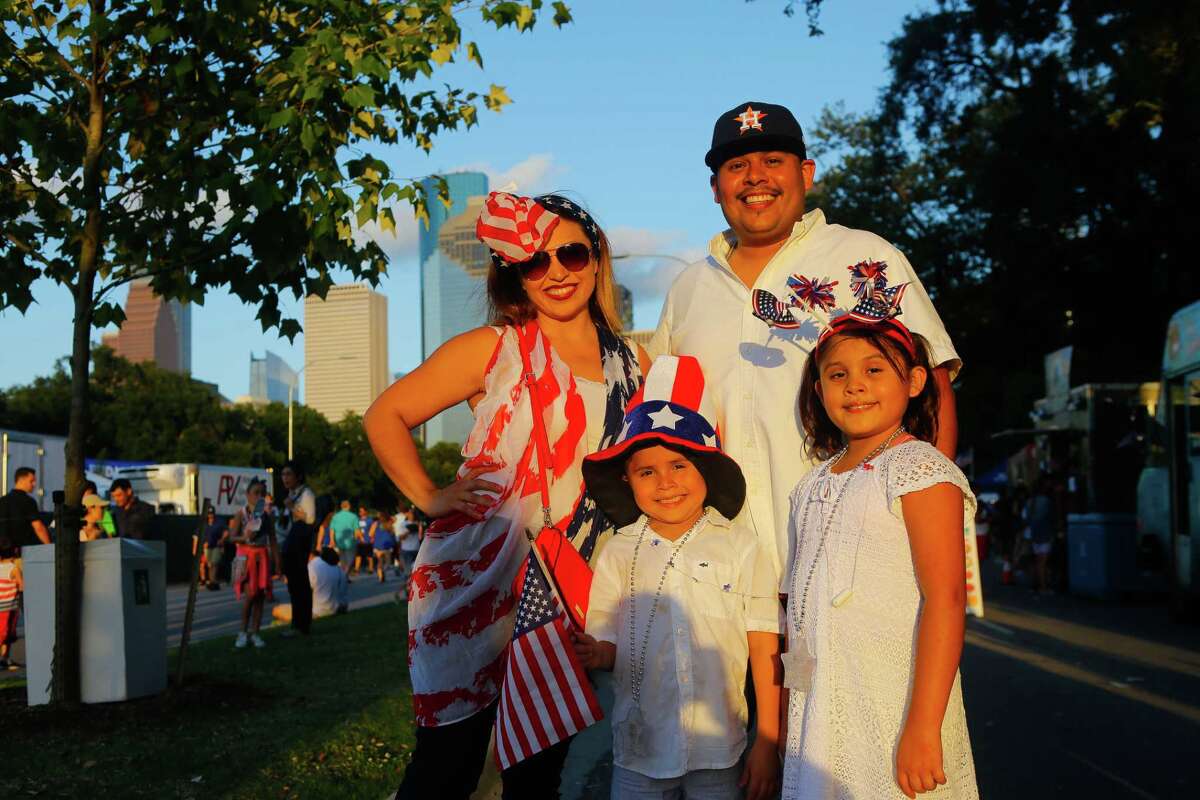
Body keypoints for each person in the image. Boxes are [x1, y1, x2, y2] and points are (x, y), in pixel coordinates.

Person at [364, 191, 648, 800]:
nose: (556, 273)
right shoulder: (495, 348)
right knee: (448, 765)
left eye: (571, 254)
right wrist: (430, 496)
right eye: (534, 261)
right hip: (474, 582)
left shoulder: (636, 365)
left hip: (571, 587)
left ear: (596, 259)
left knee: (538, 771)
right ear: (514, 272)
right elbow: (386, 414)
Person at [649, 101, 961, 582]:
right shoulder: (688, 289)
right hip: (724, 575)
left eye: (773, 161)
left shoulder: (865, 257)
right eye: (737, 166)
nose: (756, 177)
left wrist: (924, 526)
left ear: (806, 173)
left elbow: (933, 390)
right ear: (715, 188)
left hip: (850, 565)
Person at [781, 315, 977, 799]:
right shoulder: (811, 484)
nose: (855, 387)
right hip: (823, 710)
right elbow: (800, 611)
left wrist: (923, 728)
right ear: (819, 388)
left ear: (912, 381)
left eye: (874, 370)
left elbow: (946, 600)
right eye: (837, 374)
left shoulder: (920, 469)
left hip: (896, 705)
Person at [573, 355, 782, 800]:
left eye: (680, 466)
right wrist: (595, 653)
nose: (665, 483)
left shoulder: (741, 547)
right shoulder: (618, 553)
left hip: (719, 748)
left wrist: (768, 740)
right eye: (647, 471)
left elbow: (765, 646)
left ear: (706, 470)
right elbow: (608, 645)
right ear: (628, 481)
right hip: (640, 749)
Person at [229, 479, 280, 649]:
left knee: (260, 597)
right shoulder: (241, 514)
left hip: (261, 556)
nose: (259, 496)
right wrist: (244, 538)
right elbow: (231, 537)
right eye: (255, 492)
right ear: (247, 494)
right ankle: (242, 632)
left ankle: (256, 633)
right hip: (244, 556)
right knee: (250, 595)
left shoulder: (266, 516)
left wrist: (277, 562)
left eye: (262, 493)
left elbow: (272, 539)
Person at [278, 461, 318, 637]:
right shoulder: (292, 494)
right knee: (294, 586)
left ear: (298, 476)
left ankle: (302, 625)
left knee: (300, 584)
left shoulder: (306, 494)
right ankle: (297, 623)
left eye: (288, 474)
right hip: (291, 543)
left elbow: (309, 519)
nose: (285, 478)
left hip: (299, 545)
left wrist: (291, 507)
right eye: (283, 474)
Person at [271, 547, 349, 624]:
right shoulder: (338, 569)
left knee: (276, 610)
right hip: (339, 609)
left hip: (318, 613)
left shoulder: (312, 567)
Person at [0, 467, 51, 548]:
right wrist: (49, 548)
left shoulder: (2, 501)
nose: (34, 484)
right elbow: (38, 527)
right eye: (31, 481)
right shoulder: (28, 501)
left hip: (3, 554)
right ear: (21, 480)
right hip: (23, 552)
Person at [1027, 475, 1056, 594]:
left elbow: (1028, 517)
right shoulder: (1046, 501)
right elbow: (1051, 517)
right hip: (1045, 533)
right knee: (1042, 562)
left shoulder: (1031, 501)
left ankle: (1035, 584)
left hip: (1034, 533)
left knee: (1037, 561)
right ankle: (1043, 586)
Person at [0, 534, 22, 670]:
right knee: (6, 634)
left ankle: (4, 659)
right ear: (15, 550)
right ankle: (5, 658)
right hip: (10, 606)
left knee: (4, 633)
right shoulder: (13, 568)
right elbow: (22, 585)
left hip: (1, 605)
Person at [329, 501, 359, 580]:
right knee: (350, 560)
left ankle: (344, 576)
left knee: (342, 560)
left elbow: (332, 529)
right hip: (350, 541)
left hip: (339, 540)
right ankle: (345, 575)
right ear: (349, 506)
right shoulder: (354, 516)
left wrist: (332, 540)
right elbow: (356, 530)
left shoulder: (335, 516)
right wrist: (356, 539)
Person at [201, 508, 228, 590]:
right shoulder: (204, 524)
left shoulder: (219, 522)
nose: (210, 515)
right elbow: (200, 535)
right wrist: (203, 544)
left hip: (216, 546)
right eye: (209, 513)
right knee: (210, 564)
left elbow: (226, 531)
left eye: (212, 513)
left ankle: (213, 580)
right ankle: (212, 581)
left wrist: (222, 540)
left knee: (215, 563)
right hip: (207, 547)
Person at [397, 507, 421, 585]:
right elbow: (400, 537)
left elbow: (421, 537)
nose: (412, 515)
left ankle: (414, 586)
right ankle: (407, 588)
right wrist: (409, 531)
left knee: (417, 570)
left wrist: (419, 527)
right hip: (406, 550)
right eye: (410, 513)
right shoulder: (403, 524)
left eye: (413, 513)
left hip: (417, 549)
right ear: (407, 514)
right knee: (408, 571)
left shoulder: (418, 523)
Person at [371, 512, 396, 583]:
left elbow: (370, 534)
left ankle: (380, 576)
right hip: (387, 547)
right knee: (387, 563)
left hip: (378, 546)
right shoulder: (390, 524)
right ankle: (382, 573)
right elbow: (393, 533)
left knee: (380, 562)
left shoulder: (376, 524)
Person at [355, 506, 376, 576]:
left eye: (361, 511)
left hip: (367, 540)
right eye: (359, 511)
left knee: (369, 555)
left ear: (365, 512)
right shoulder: (357, 520)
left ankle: (371, 569)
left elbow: (373, 530)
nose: (360, 512)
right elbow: (356, 530)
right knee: (358, 555)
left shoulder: (370, 520)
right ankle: (356, 569)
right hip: (359, 541)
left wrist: (373, 538)